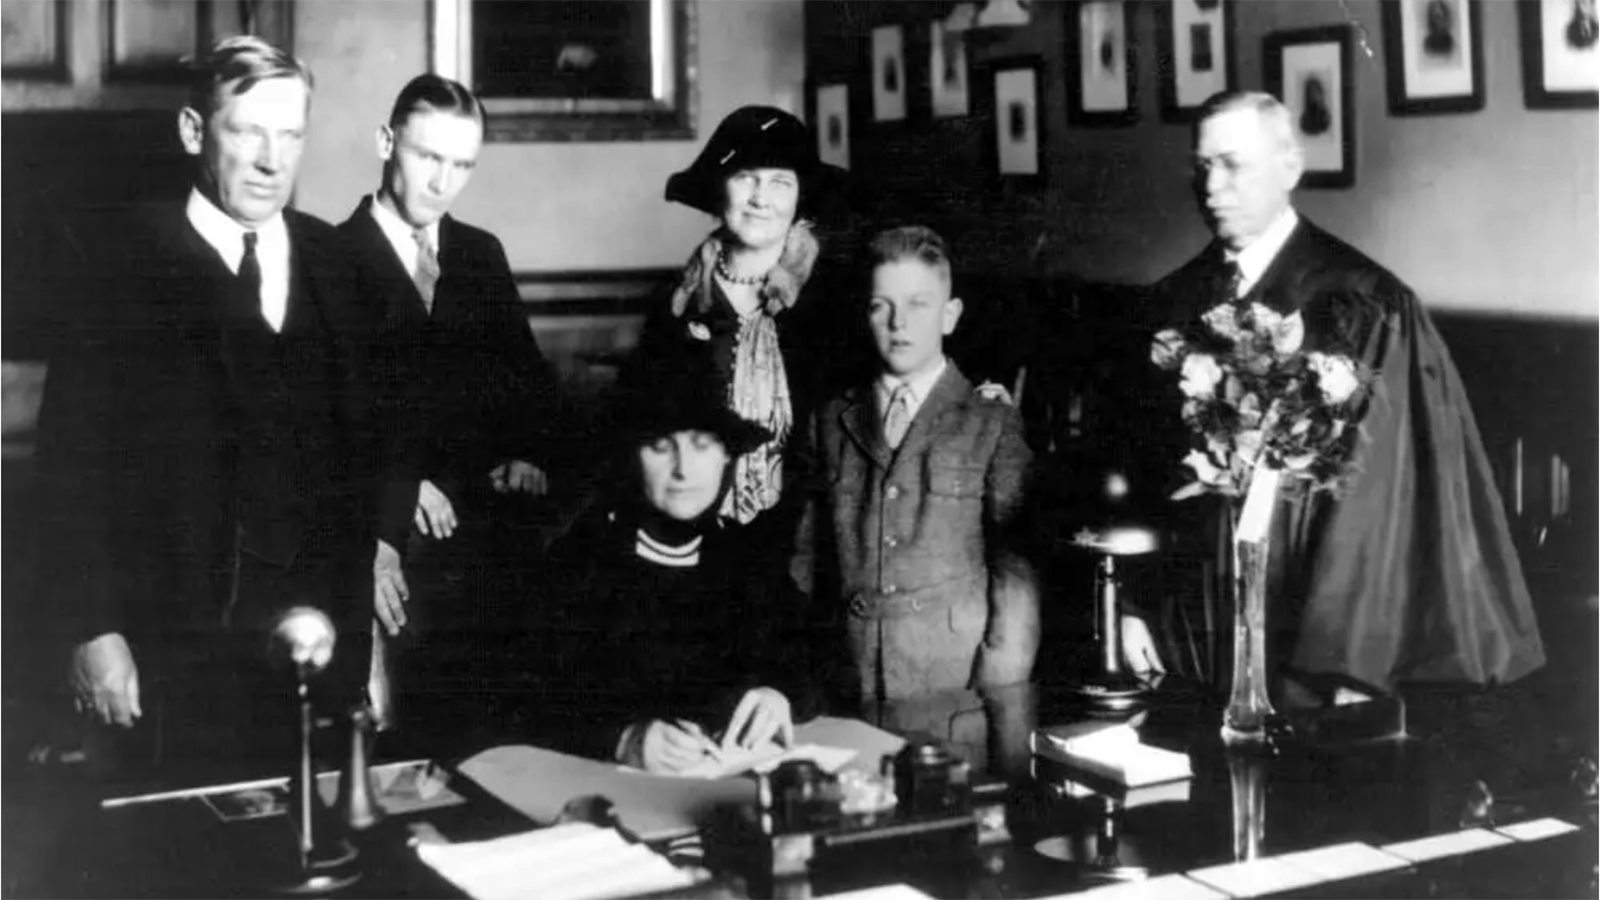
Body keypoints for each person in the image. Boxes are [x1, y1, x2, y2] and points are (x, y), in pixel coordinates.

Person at [1127, 91, 1545, 704]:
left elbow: (1382, 501)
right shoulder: (1175, 300)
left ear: (1290, 166)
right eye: (1203, 165)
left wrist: (1352, 667)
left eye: (1233, 164)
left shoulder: (1365, 304)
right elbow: (1151, 469)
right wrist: (1136, 602)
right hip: (1192, 624)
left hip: (1309, 628)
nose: (1212, 185)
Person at [38, 36, 377, 767]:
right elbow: (70, 468)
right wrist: (91, 629)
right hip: (173, 656)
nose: (271, 160)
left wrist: (364, 645)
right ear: (195, 132)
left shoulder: (341, 266)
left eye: (290, 136)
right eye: (247, 131)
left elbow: (364, 470)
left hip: (315, 653)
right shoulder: (118, 269)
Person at [338, 74, 562, 737]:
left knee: (495, 735)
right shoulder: (330, 259)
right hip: (386, 549)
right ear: (386, 142)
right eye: (427, 157)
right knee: (402, 742)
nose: (443, 181)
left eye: (461, 164)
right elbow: (314, 428)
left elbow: (531, 387)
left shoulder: (479, 255)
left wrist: (528, 452)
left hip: (486, 547)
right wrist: (395, 491)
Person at [790, 225, 1040, 705]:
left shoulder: (989, 422)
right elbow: (806, 559)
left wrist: (999, 699)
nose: (898, 323)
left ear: (950, 316)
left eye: (918, 304)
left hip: (953, 688)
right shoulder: (831, 418)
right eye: (881, 305)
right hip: (847, 684)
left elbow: (1016, 582)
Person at [533, 358, 810, 774]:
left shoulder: (749, 557)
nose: (683, 469)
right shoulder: (578, 562)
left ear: (726, 457)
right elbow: (518, 701)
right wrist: (623, 739)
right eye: (661, 447)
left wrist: (779, 695)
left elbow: (823, 664)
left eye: (701, 444)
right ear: (630, 457)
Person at [630, 105, 854, 531]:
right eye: (745, 177)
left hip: (809, 528)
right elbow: (642, 419)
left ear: (800, 196)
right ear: (720, 189)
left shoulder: (834, 297)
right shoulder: (678, 301)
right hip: (696, 528)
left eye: (779, 183)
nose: (760, 198)